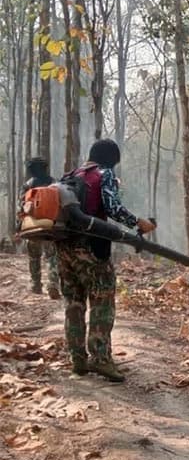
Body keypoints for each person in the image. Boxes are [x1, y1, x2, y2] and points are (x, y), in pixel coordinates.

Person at [56, 139, 156, 382]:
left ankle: (78, 360)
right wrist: (138, 222)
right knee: (102, 301)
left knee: (73, 304)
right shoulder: (104, 174)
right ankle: (100, 359)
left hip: (64, 249)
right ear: (111, 159)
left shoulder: (70, 176)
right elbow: (112, 208)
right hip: (92, 249)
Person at [20, 157, 61, 299]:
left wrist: (19, 226)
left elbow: (22, 206)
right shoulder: (55, 183)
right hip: (50, 226)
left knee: (34, 257)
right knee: (52, 257)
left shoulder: (28, 185)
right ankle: (53, 284)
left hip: (32, 226)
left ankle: (36, 284)